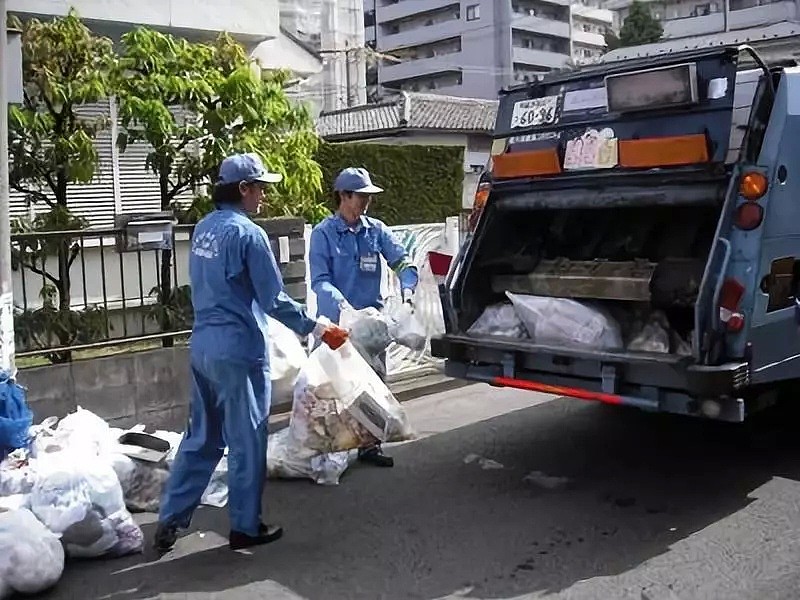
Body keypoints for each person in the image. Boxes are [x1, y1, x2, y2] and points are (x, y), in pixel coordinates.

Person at [154, 153, 349, 553]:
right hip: (239, 350)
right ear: (243, 189)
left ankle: (170, 519)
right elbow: (274, 299)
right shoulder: (248, 234)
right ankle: (245, 526)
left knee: (201, 438)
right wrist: (317, 326)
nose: (263, 196)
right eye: (260, 188)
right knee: (246, 441)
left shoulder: (205, 229)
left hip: (204, 345)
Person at [309, 167, 419, 468]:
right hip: (337, 327)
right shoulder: (323, 234)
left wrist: (409, 284)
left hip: (371, 327)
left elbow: (401, 261)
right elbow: (320, 280)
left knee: (373, 386)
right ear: (344, 196)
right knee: (332, 388)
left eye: (370, 197)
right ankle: (333, 447)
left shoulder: (376, 230)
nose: (366, 203)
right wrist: (341, 303)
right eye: (361, 196)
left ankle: (370, 445)